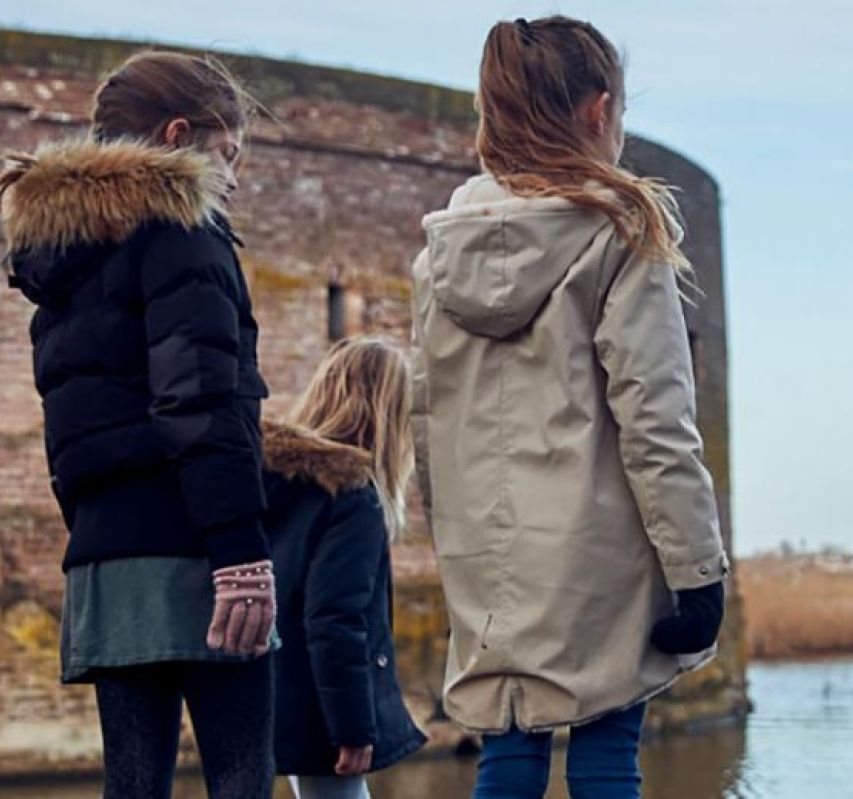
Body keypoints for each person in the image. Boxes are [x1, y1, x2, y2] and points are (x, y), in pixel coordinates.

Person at [409, 16, 730, 799]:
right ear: (598, 112)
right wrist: (696, 570)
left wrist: (449, 537)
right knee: (605, 750)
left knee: (508, 748)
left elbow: (427, 418)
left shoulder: (439, 253)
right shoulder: (621, 230)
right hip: (602, 550)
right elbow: (654, 416)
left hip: (488, 552)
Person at [0, 51, 276, 799]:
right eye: (227, 154)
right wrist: (241, 553)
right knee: (240, 777)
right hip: (196, 547)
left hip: (104, 563)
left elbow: (68, 422)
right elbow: (200, 400)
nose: (233, 179)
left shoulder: (58, 264)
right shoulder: (186, 231)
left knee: (132, 785)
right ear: (179, 135)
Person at [262, 336, 428, 799]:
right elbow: (335, 620)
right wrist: (354, 729)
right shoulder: (352, 497)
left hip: (283, 695)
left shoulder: (282, 485)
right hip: (323, 716)